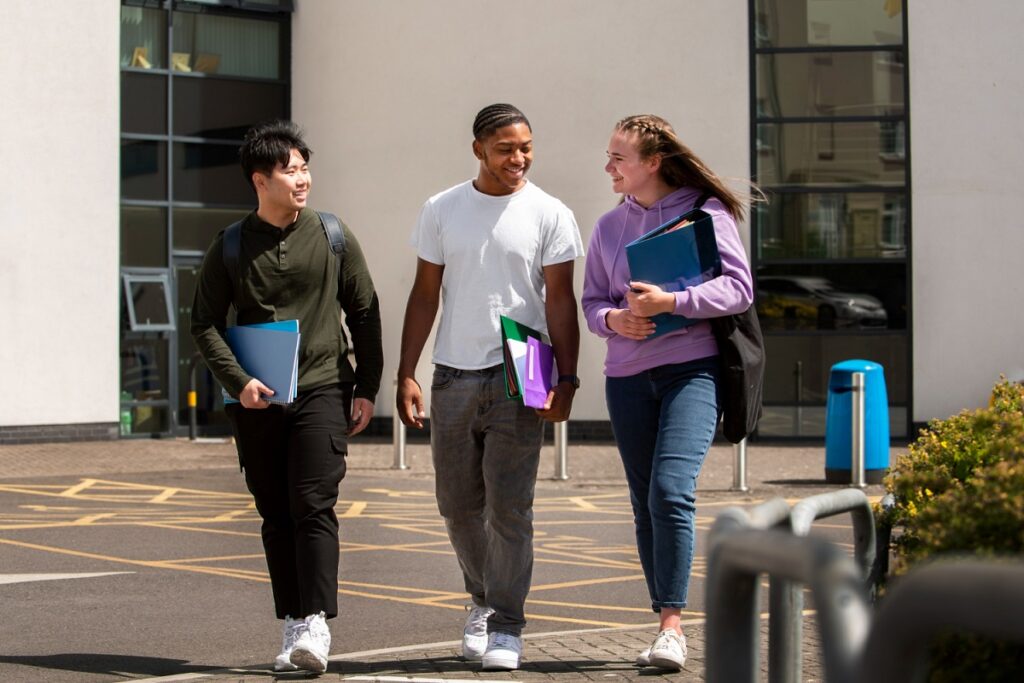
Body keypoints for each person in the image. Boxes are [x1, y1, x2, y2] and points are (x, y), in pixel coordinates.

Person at [190, 120, 383, 674]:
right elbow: (203, 322)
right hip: (257, 398)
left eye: (305, 168)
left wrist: (366, 386)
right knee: (275, 513)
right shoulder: (228, 245)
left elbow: (364, 310)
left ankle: (317, 621)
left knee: (313, 503)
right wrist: (238, 381)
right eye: (290, 170)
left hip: (323, 385)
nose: (303, 179)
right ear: (260, 179)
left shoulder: (330, 234)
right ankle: (293, 620)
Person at [396, 103, 583, 671]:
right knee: (456, 505)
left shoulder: (550, 213)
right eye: (505, 148)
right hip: (452, 373)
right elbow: (425, 294)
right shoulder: (443, 208)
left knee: (510, 508)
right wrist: (406, 371)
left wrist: (567, 380)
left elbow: (560, 302)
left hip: (524, 369)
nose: (518, 158)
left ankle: (506, 625)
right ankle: (480, 598)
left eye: (526, 147)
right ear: (478, 148)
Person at [582, 114, 755, 671]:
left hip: (691, 370)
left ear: (652, 163)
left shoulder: (705, 213)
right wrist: (615, 319)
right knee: (643, 504)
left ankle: (672, 628)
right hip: (627, 378)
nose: (609, 166)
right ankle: (663, 617)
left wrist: (671, 304)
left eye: (618, 158)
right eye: (609, 156)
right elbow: (591, 304)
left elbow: (738, 287)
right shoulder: (609, 226)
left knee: (670, 490)